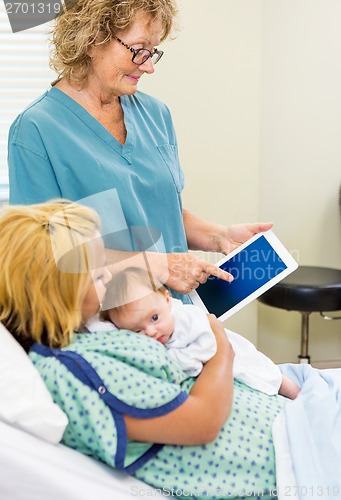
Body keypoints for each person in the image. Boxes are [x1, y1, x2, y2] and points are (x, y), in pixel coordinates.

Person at [0, 200, 287, 499]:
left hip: (282, 429)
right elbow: (202, 422)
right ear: (60, 291)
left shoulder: (82, 333)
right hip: (276, 466)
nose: (109, 276)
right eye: (98, 275)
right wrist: (222, 349)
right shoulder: (70, 369)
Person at [7, 0, 273, 304]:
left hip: (174, 314)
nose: (149, 66)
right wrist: (156, 265)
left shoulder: (156, 114)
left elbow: (159, 211)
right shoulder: (37, 130)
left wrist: (219, 236)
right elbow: (44, 256)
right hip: (106, 322)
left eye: (153, 50)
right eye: (138, 49)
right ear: (91, 39)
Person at [94, 266, 300, 399]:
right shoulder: (145, 325)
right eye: (137, 331)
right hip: (219, 369)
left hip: (234, 352)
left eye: (154, 318)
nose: (151, 332)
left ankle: (299, 396)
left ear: (167, 300)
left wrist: (177, 361)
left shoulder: (187, 318)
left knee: (271, 376)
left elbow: (207, 346)